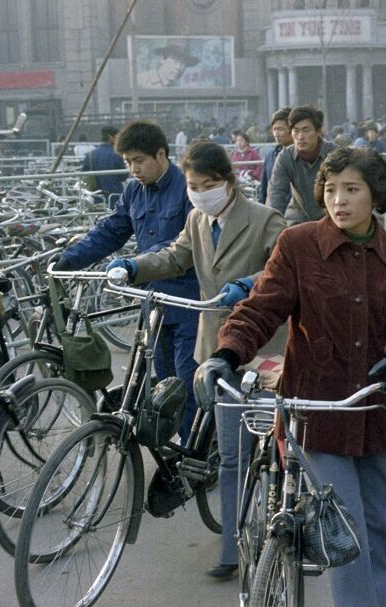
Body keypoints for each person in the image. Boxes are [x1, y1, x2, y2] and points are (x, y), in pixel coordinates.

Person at [194, 146, 386, 607]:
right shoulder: (298, 245)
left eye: (352, 189)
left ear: (374, 195)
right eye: (330, 189)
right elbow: (261, 309)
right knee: (346, 533)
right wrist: (225, 353)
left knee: (379, 531)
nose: (338, 200)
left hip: (379, 408)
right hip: (316, 414)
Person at [109, 141, 286, 580]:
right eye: (194, 185)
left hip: (267, 350)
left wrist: (246, 284)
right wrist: (133, 265)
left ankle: (284, 525)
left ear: (229, 182)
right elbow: (175, 256)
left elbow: (284, 269)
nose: (201, 192)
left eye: (209, 185)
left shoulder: (266, 219)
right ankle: (231, 548)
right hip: (216, 347)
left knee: (277, 448)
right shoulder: (196, 219)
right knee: (230, 455)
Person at [53, 120, 201, 439]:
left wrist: (134, 265)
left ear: (161, 154)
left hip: (188, 300)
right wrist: (69, 258)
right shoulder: (134, 190)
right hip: (153, 303)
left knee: (187, 384)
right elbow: (111, 230)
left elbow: (182, 245)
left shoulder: (189, 189)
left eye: (138, 160)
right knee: (163, 384)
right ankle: (173, 449)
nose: (133, 169)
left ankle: (193, 457)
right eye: (127, 162)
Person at [268, 105, 337, 225]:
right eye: (296, 130)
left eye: (306, 130)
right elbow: (276, 193)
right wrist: (272, 225)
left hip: (330, 218)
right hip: (297, 219)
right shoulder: (285, 157)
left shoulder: (334, 154)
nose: (300, 136)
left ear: (318, 130)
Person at [258, 107, 292, 205]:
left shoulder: (301, 156)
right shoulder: (270, 156)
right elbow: (264, 188)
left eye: (280, 129)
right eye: (274, 129)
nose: (276, 134)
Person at [80, 126, 126, 199]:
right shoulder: (118, 154)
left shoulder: (90, 155)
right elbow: (124, 176)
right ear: (110, 137)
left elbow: (84, 175)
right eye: (117, 137)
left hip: (95, 195)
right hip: (115, 194)